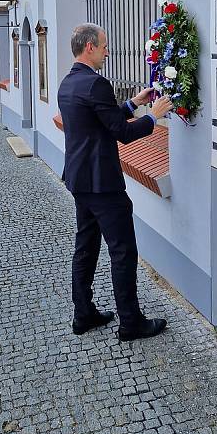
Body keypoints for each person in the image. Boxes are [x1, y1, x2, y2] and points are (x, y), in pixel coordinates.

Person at [58, 24, 174, 342]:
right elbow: (120, 132)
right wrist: (154, 116)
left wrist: (134, 104)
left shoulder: (68, 83)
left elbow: (102, 120)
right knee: (123, 251)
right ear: (90, 47)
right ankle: (131, 322)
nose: (108, 51)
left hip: (80, 180)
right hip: (103, 185)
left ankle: (83, 314)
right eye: (105, 45)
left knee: (85, 248)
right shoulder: (96, 83)